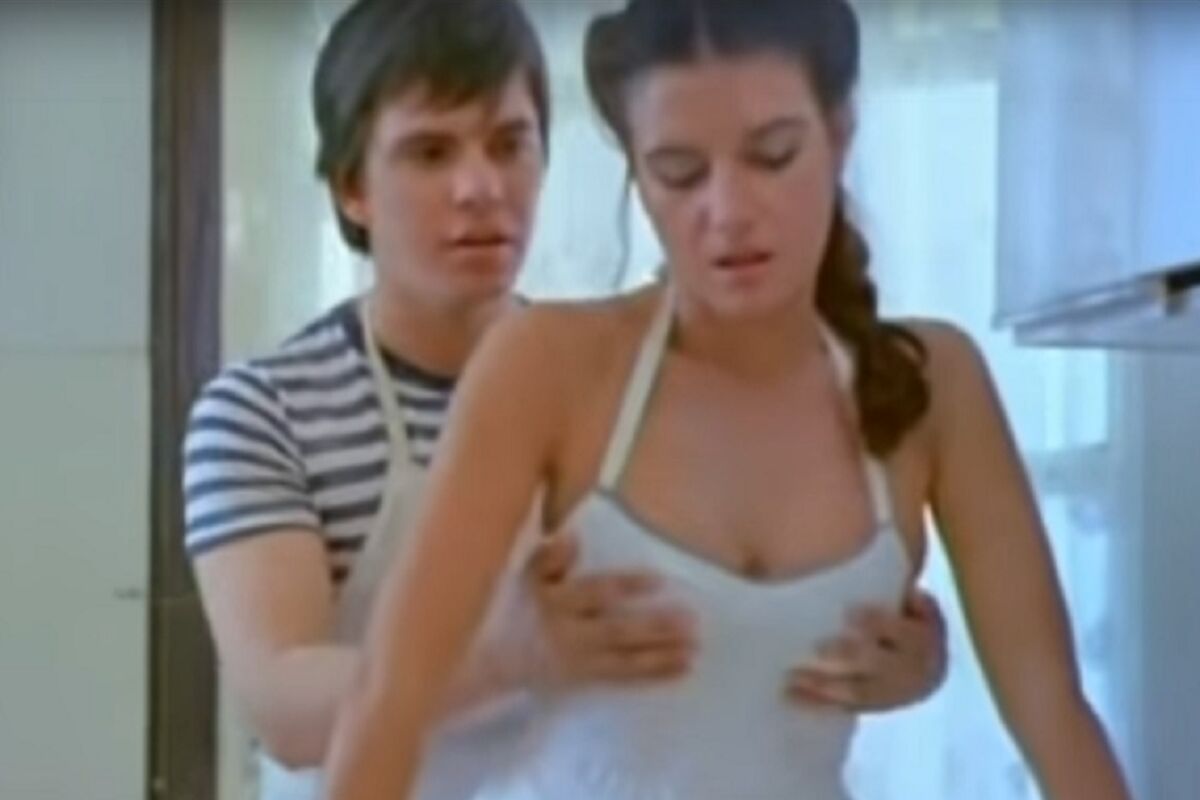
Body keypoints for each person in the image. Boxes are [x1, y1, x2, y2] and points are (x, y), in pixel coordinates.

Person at [320, 0, 1134, 798]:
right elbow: (388, 704)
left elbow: (1055, 717)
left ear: (839, 135)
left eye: (773, 156)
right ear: (637, 175)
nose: (729, 211)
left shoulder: (936, 385)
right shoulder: (549, 365)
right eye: (679, 173)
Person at [185, 1, 949, 799]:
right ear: (352, 189)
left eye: (509, 144)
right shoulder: (262, 412)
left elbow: (729, 612)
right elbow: (281, 707)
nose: (480, 188)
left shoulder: (616, 383)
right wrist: (506, 659)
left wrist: (887, 652)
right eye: (431, 152)